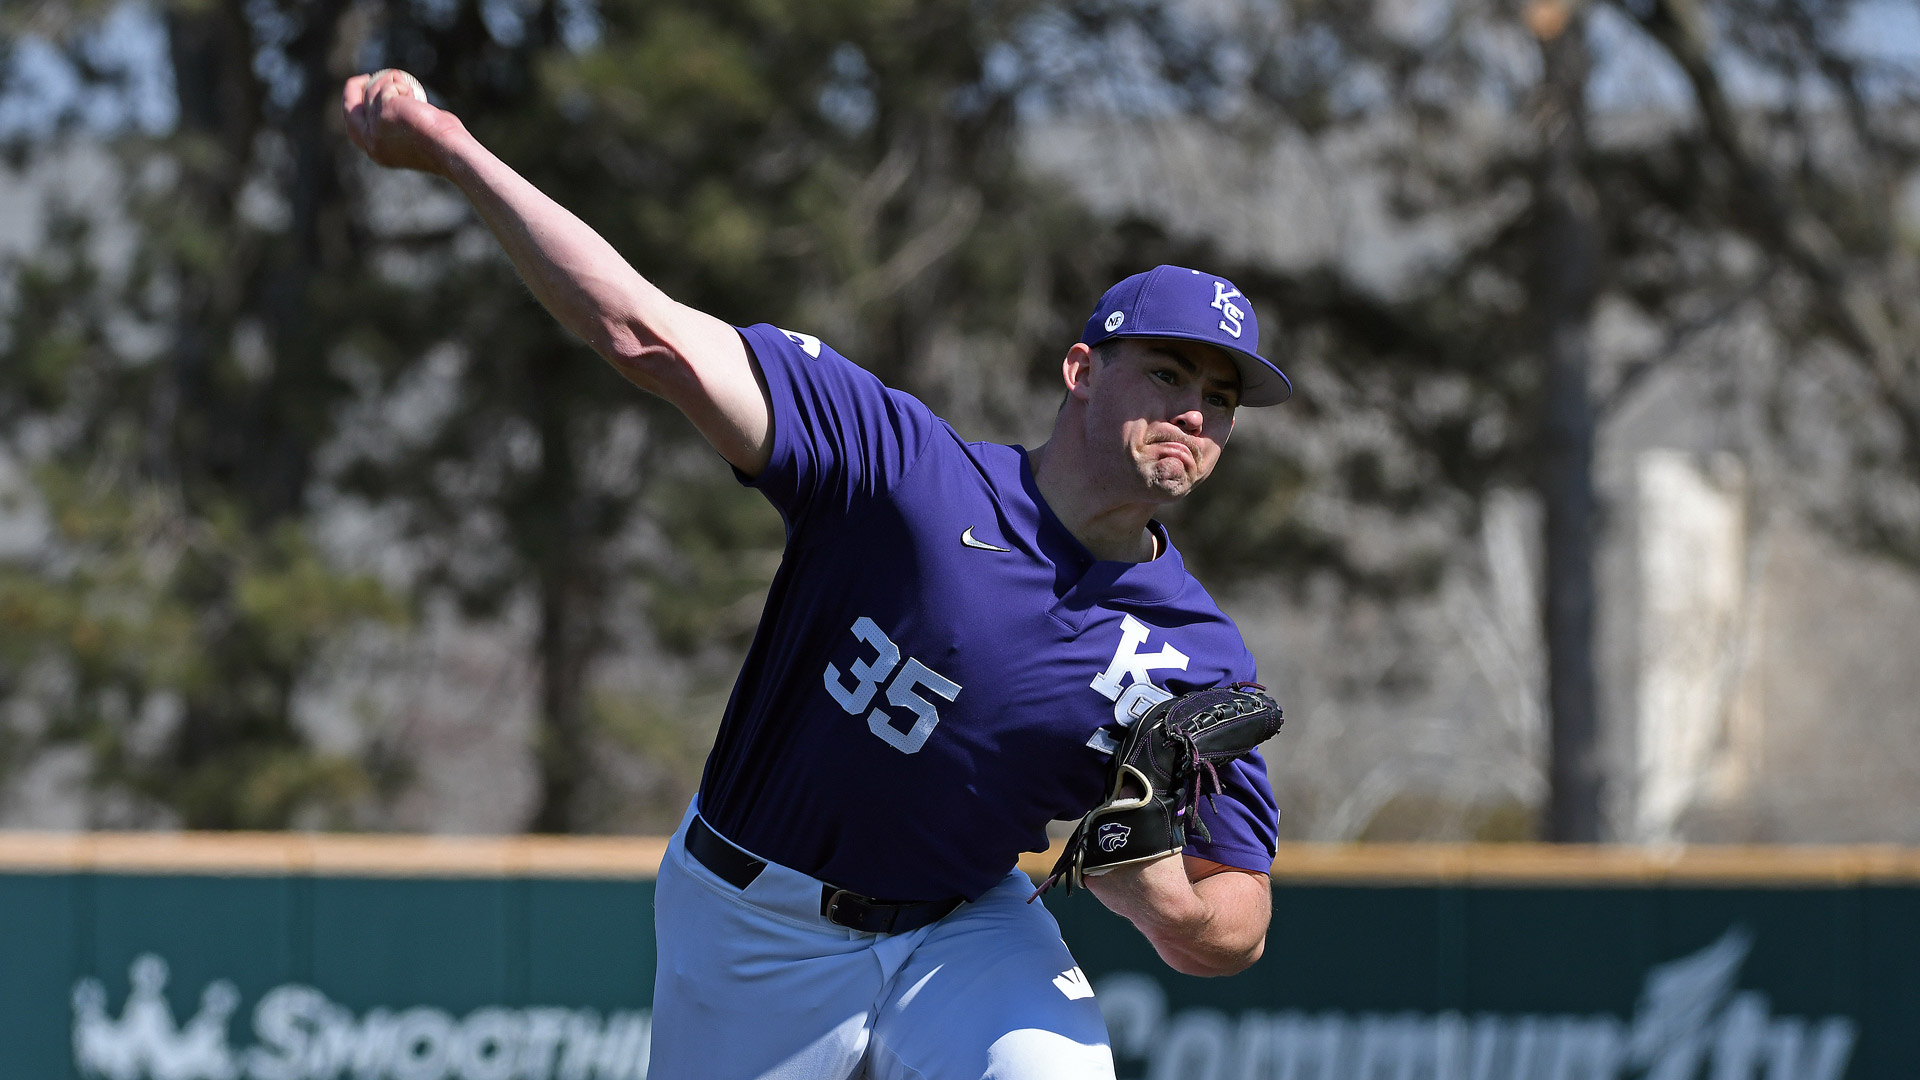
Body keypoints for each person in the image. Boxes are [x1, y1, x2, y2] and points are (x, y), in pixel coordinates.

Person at [343, 68, 1290, 1080]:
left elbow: (1241, 921)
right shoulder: (905, 472)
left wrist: (1165, 900)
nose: (1196, 411)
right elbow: (646, 334)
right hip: (754, 923)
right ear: (1083, 371)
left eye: (1223, 398)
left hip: (962, 930)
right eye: (1168, 372)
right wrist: (451, 149)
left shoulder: (1192, 654)